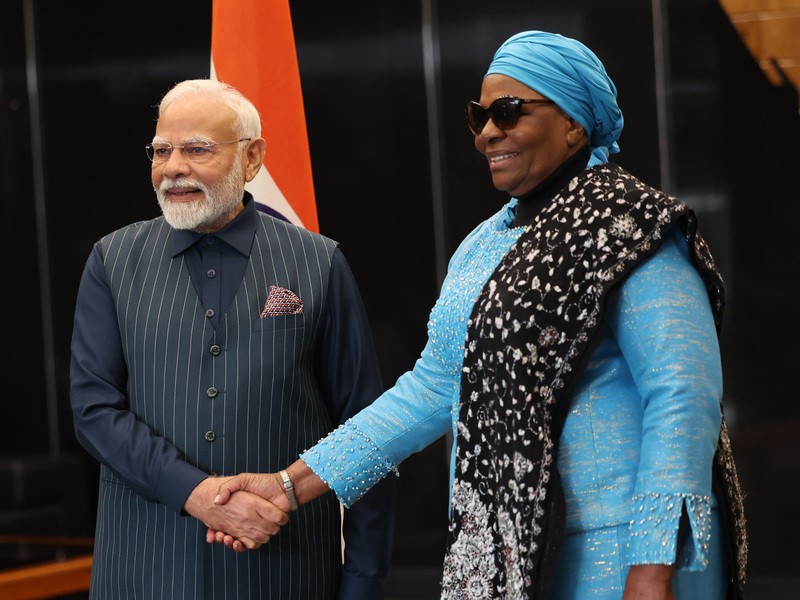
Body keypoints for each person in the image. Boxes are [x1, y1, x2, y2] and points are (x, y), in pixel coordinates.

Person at [211, 31, 748, 599]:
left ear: (574, 123)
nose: (488, 132)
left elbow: (682, 392)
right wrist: (288, 485)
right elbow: (430, 388)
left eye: (510, 112)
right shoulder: (483, 244)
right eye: (480, 115)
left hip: (624, 549)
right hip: (514, 550)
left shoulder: (632, 226)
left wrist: (652, 564)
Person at [69, 78, 395, 600]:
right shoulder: (112, 260)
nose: (173, 167)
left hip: (287, 574)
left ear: (252, 157)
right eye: (161, 151)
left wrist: (362, 582)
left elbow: (366, 430)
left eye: (197, 149)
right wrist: (196, 494)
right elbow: (94, 411)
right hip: (144, 568)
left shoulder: (319, 262)